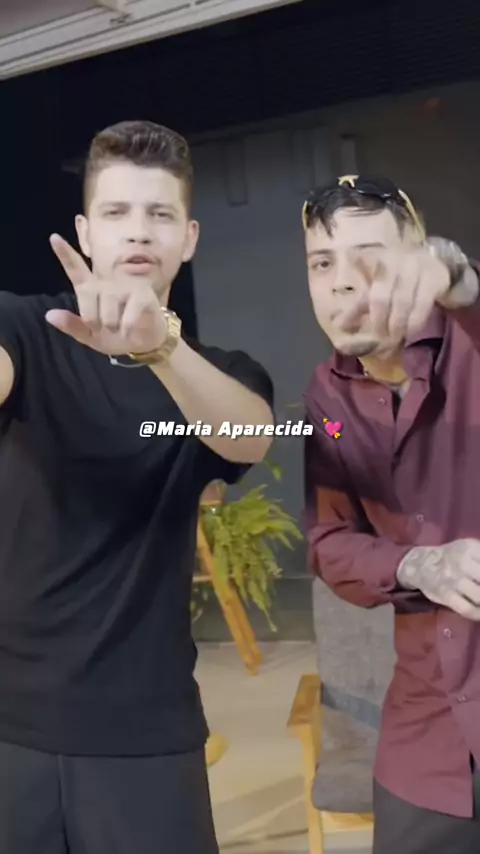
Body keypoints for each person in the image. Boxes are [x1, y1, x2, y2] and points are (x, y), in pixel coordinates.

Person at [0, 120, 274, 854]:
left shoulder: (219, 371)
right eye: (116, 212)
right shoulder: (25, 327)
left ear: (189, 237)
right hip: (8, 723)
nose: (138, 231)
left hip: (145, 731)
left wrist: (161, 349)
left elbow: (249, 437)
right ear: (86, 234)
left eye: (160, 213)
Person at [301, 174, 480, 854]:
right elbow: (329, 540)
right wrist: (415, 564)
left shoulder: (467, 342)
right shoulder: (328, 400)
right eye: (322, 263)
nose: (343, 282)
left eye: (369, 258)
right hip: (427, 731)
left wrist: (457, 275)